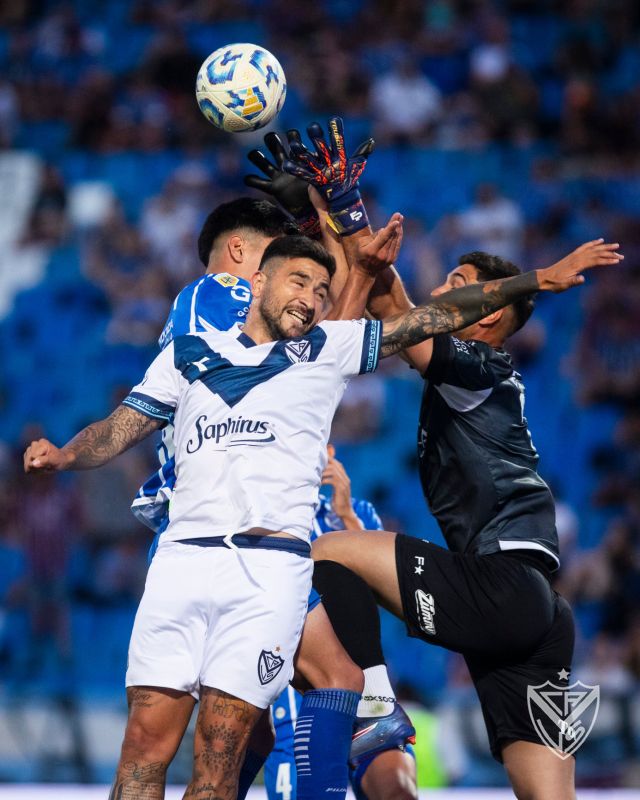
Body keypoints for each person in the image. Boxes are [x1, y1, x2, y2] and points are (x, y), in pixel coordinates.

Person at [24, 227, 618, 798]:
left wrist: (536, 277)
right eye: (299, 282)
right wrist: (67, 454)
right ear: (257, 281)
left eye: (321, 290)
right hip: (186, 562)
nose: (311, 298)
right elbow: (122, 424)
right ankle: (366, 708)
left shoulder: (341, 352)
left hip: (285, 573)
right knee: (143, 749)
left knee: (229, 744)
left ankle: (373, 706)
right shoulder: (190, 354)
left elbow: (425, 317)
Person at [311, 240, 624, 800]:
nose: (439, 291)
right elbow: (394, 303)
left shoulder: (474, 368)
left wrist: (339, 210)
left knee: (327, 552)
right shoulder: (485, 375)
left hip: (500, 588)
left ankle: (376, 708)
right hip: (540, 611)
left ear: (490, 314)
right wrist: (334, 216)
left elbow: (398, 312)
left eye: (456, 284)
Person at [265, 445, 418, 800]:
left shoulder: (357, 512)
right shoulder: (259, 515)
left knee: (398, 792)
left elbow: (388, 591)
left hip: (367, 701)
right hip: (295, 707)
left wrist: (347, 515)